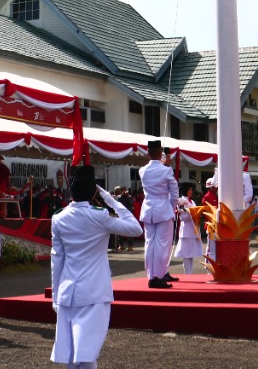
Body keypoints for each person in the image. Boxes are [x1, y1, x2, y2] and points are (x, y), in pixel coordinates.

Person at [50, 164, 144, 369]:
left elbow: (56, 260)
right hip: (94, 291)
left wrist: (56, 295)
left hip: (68, 292)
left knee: (73, 353)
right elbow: (136, 228)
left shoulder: (58, 217)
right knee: (87, 353)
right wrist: (111, 200)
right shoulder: (100, 215)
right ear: (94, 192)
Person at [138, 140, 178, 289]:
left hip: (148, 208)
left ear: (147, 153)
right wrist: (171, 208)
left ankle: (151, 276)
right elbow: (174, 194)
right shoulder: (166, 170)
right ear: (161, 152)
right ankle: (159, 276)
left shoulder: (142, 171)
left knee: (149, 244)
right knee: (162, 245)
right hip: (163, 208)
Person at [173, 182, 203, 275]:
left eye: (191, 189)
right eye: (189, 189)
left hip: (193, 228)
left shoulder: (192, 201)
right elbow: (182, 217)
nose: (191, 191)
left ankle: (191, 273)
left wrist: (197, 214)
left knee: (191, 253)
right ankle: (187, 273)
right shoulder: (181, 200)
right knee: (186, 254)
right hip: (186, 229)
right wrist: (191, 214)